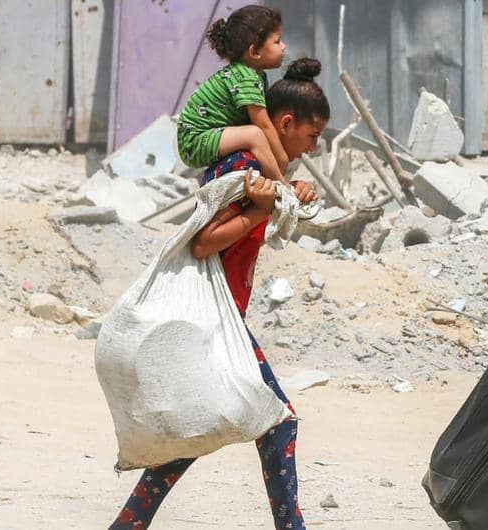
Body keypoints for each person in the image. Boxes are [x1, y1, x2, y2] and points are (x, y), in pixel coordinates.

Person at [110, 58, 329, 530]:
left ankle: (128, 524)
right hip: (212, 315)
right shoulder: (243, 165)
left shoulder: (265, 173)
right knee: (279, 423)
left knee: (197, 430)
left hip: (225, 315)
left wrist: (294, 193)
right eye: (312, 136)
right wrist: (259, 210)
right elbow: (204, 240)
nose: (315, 146)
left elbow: (273, 205)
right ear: (286, 124)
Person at [176, 5, 293, 185]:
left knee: (255, 134)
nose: (283, 47)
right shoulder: (246, 77)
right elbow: (262, 124)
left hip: (206, 136)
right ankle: (282, 186)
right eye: (277, 42)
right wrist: (282, 159)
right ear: (254, 52)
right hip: (195, 141)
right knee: (254, 134)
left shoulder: (256, 75)